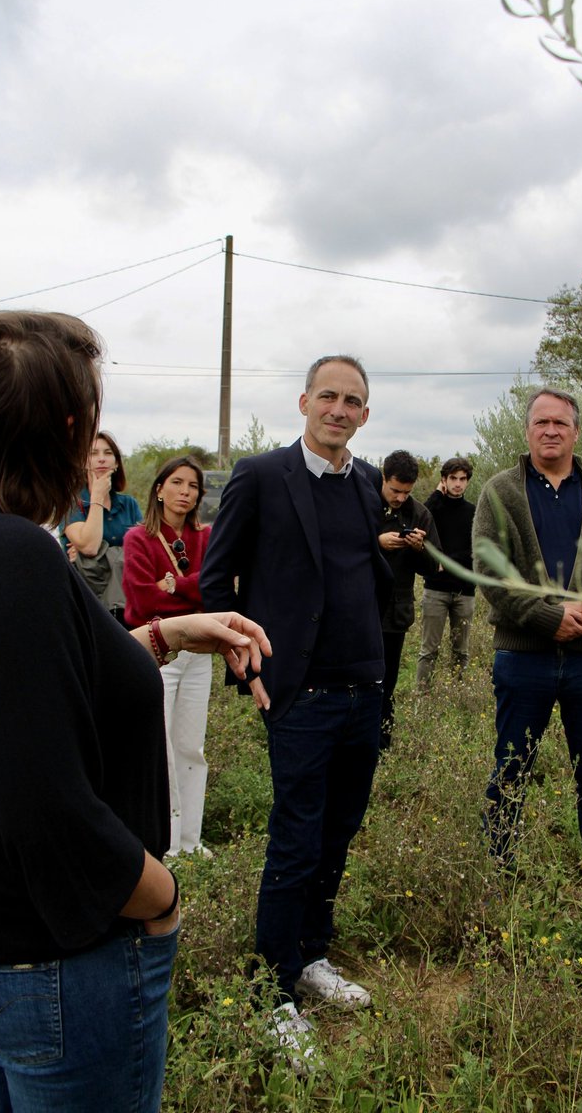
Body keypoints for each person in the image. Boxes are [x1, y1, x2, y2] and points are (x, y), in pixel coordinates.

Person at [0, 310, 270, 1113]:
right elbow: (43, 806)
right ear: (66, 428)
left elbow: (12, 693)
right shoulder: (9, 554)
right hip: (52, 966)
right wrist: (157, 896)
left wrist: (162, 632)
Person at [200, 354, 392, 1073]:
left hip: (363, 688)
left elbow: (363, 577)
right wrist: (246, 663)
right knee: (295, 840)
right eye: (329, 397)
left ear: (365, 416)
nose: (340, 410)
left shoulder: (369, 483)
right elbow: (217, 581)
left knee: (338, 834)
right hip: (300, 693)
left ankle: (312, 956)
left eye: (354, 402)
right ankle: (273, 992)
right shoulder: (260, 476)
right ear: (304, 401)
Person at [473, 388, 582, 917]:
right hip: (524, 658)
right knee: (511, 768)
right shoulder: (500, 491)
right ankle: (499, 876)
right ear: (527, 430)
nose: (550, 430)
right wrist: (548, 616)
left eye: (560, 423)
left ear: (576, 432)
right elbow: (487, 565)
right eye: (541, 422)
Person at [123, 457, 213, 857]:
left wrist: (175, 585)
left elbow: (213, 587)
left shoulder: (204, 537)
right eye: (177, 483)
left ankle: (192, 841)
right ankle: (167, 843)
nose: (185, 492)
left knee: (191, 746)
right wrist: (189, 589)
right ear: (159, 489)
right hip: (158, 651)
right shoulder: (138, 539)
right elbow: (141, 599)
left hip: (198, 649)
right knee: (161, 749)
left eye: (192, 486)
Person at [377, 450, 441, 750]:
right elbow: (340, 548)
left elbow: (434, 567)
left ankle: (382, 744)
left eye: (406, 492)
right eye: (395, 490)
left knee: (386, 682)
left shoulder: (419, 514)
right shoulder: (364, 504)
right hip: (356, 610)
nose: (400, 498)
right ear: (383, 478)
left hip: (394, 614)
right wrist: (376, 543)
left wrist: (419, 548)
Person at [63, 430, 142, 626]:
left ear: (116, 463)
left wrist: (101, 552)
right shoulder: (71, 503)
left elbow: (142, 550)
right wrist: (97, 496)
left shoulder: (129, 504)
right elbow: (90, 546)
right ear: (83, 461)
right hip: (86, 598)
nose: (101, 459)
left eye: (108, 453)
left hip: (126, 603)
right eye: (93, 453)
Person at [416, 456, 476, 689]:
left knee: (461, 651)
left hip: (465, 591)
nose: (458, 483)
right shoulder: (435, 509)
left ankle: (459, 694)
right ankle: (422, 699)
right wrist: (436, 495)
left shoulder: (473, 511)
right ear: (444, 480)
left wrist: (445, 561)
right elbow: (419, 522)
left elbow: (475, 551)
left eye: (462, 479)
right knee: (428, 650)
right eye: (453, 478)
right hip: (435, 590)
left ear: (468, 482)